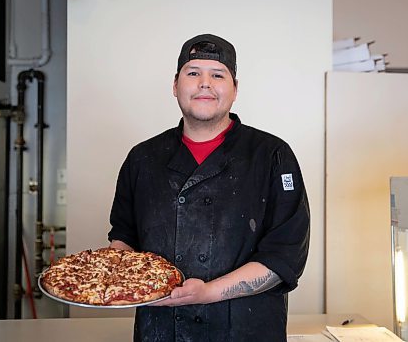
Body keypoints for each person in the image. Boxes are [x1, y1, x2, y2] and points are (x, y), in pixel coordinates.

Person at [108, 33, 310, 342]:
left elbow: (286, 255)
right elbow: (124, 238)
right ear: (175, 85)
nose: (205, 83)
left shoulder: (272, 155)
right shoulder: (142, 158)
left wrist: (209, 292)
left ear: (235, 89)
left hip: (247, 332)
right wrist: (104, 276)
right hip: (161, 330)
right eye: (193, 73)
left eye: (217, 74)